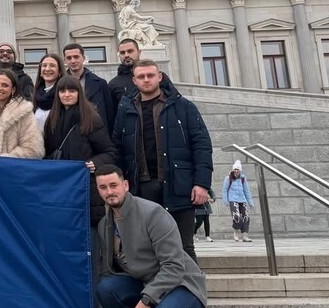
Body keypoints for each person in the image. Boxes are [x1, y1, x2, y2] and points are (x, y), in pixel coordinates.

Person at [93, 165, 207, 308]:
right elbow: (107, 271)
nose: (109, 192)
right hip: (146, 282)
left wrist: (146, 300)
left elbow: (174, 266)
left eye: (113, 185)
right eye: (103, 187)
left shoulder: (152, 213)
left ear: (125, 185)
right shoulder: (104, 225)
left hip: (182, 284)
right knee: (106, 287)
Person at [112, 59, 213, 262]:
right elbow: (118, 148)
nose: (146, 80)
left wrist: (202, 184)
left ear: (159, 77)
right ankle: (158, 292)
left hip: (179, 186)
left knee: (184, 247)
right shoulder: (126, 110)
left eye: (150, 75)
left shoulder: (183, 107)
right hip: (142, 188)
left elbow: (202, 145)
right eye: (141, 76)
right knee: (147, 248)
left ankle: (192, 291)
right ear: (134, 80)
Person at [43, 74, 117, 227]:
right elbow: (46, 152)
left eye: (71, 90)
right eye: (62, 91)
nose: (67, 95)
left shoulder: (91, 118)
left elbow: (109, 152)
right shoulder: (52, 119)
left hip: (85, 187)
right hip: (60, 187)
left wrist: (94, 163)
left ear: (79, 92)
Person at [0, 71, 44, 158]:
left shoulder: (24, 114)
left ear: (13, 90)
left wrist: (6, 158)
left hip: (13, 169)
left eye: (5, 85)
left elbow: (34, 150)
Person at [108, 38, 179, 110]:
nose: (126, 55)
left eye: (130, 51)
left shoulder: (157, 76)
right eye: (122, 52)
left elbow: (175, 99)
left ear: (139, 52)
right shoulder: (113, 84)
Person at [63, 43, 115, 131]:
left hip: (96, 133)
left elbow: (110, 114)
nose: (73, 61)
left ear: (83, 58)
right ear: (64, 60)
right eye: (69, 58)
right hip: (70, 133)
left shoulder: (101, 83)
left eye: (76, 57)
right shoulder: (60, 84)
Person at [222, 161, 254, 242]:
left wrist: (250, 202)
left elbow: (247, 191)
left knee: (246, 217)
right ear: (233, 170)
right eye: (235, 169)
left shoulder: (243, 179)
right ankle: (235, 231)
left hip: (242, 200)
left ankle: (245, 236)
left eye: (238, 169)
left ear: (240, 170)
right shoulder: (228, 178)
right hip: (233, 200)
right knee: (237, 217)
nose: (236, 171)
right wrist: (226, 200)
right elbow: (224, 190)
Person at [32, 53, 63, 131]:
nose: (47, 69)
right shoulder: (35, 95)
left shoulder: (64, 95)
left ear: (59, 71)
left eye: (52, 65)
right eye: (44, 65)